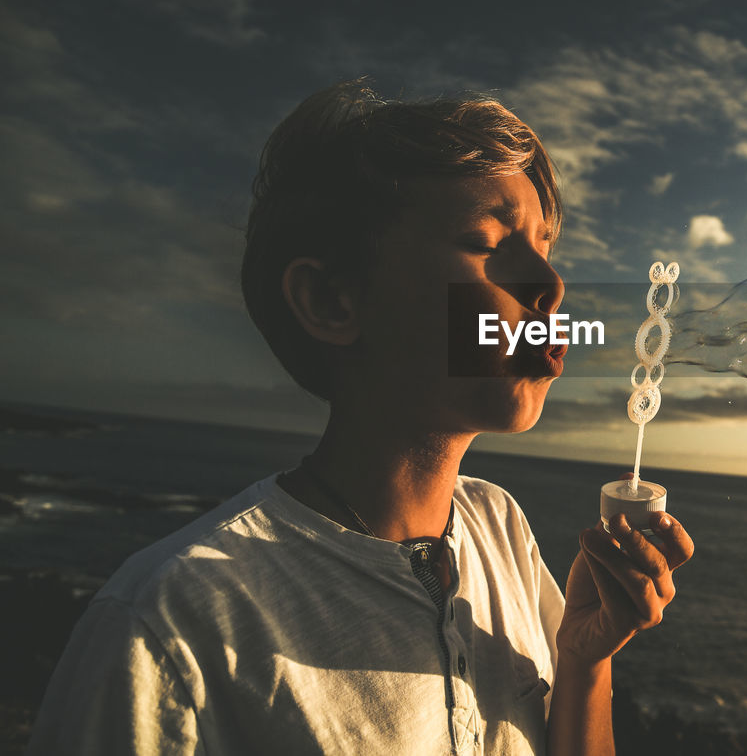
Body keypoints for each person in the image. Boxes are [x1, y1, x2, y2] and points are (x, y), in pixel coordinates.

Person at [27, 79, 694, 755]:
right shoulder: (169, 621)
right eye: (489, 243)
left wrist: (584, 659)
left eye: (546, 248)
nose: (550, 286)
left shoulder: (502, 529)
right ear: (332, 301)